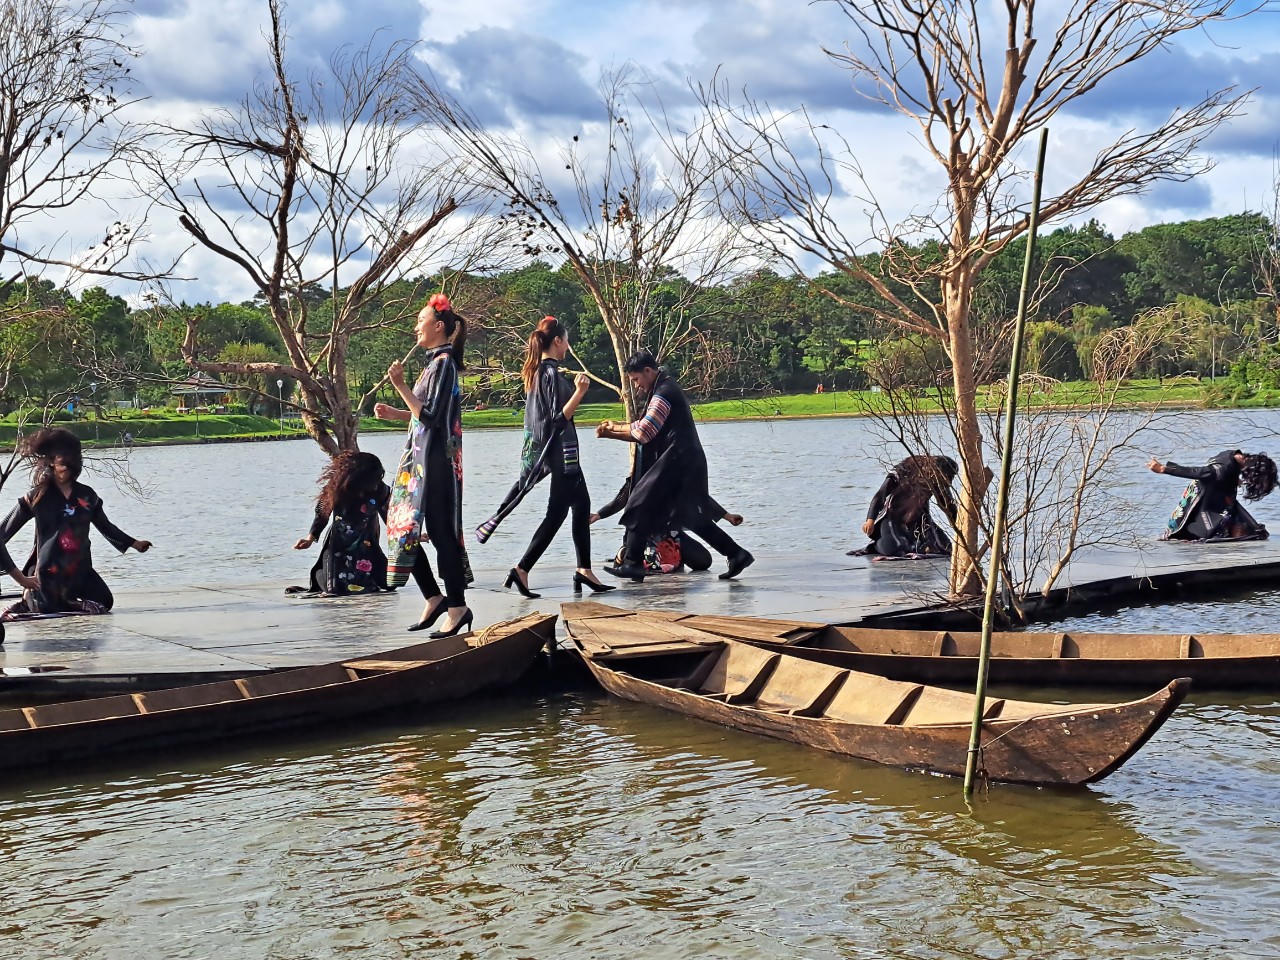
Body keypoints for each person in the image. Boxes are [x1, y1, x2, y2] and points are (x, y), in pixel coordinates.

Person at [475, 315, 613, 597]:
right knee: (556, 513)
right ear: (558, 341)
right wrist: (580, 392)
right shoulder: (548, 374)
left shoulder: (540, 372)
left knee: (581, 505)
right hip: (561, 455)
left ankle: (583, 569)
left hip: (565, 455)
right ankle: (522, 569)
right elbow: (556, 419)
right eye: (567, 342)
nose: (568, 347)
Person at [595, 350, 753, 582]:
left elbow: (644, 432)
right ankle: (737, 554)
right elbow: (643, 426)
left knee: (639, 501)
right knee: (690, 516)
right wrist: (616, 427)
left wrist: (612, 432)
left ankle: (633, 564)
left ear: (649, 371)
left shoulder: (664, 392)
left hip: (678, 461)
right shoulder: (663, 388)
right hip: (685, 461)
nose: (637, 387)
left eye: (637, 379)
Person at [374, 293, 475, 636]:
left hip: (435, 466)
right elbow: (424, 414)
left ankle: (456, 605)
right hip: (422, 465)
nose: (416, 327)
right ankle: (435, 597)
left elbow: (431, 417)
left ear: (439, 326)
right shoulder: (435, 363)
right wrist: (396, 413)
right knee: (405, 528)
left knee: (441, 535)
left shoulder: (444, 364)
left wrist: (401, 386)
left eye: (420, 321)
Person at [0, 427, 151, 617]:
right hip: (48, 571)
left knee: (104, 601)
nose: (65, 469)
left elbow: (105, 526)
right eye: (61, 463)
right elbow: (2, 534)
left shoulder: (87, 496)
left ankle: (57, 600)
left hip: (80, 568)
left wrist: (135, 543)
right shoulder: (36, 497)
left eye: (69, 464)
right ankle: (31, 595)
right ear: (50, 462)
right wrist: (20, 577)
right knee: (50, 607)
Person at [591, 476, 743, 574]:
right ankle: (624, 555)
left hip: (672, 535)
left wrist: (727, 516)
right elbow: (619, 501)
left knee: (704, 562)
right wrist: (598, 515)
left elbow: (699, 497)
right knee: (637, 561)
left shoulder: (672, 478)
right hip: (644, 537)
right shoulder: (637, 479)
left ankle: (671, 557)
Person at [293, 451, 392, 595]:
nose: (377, 483)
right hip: (338, 545)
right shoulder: (338, 486)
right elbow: (322, 512)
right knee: (335, 589)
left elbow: (390, 516)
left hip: (366, 544)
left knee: (389, 583)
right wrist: (311, 537)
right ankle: (319, 574)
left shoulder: (380, 489)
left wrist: (408, 534)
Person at [1150, 450, 1278, 541]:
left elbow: (1222, 470)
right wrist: (1164, 469)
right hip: (1205, 507)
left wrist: (1234, 479)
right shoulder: (1222, 470)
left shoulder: (1235, 456)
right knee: (1248, 532)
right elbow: (1199, 472)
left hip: (1216, 498)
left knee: (1249, 528)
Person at [854, 455, 958, 558]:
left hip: (920, 520)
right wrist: (870, 520)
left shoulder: (939, 482)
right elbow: (880, 495)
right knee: (897, 549)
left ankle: (917, 544)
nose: (949, 482)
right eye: (948, 477)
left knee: (945, 547)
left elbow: (948, 505)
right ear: (936, 472)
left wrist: (960, 529)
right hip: (892, 518)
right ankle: (876, 544)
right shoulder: (904, 470)